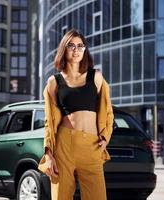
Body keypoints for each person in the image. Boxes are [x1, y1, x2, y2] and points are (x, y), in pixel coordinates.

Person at [38, 29, 114, 200]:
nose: (76, 50)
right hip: (65, 145)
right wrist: (49, 155)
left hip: (92, 146)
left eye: (81, 46)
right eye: (71, 45)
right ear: (64, 49)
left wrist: (105, 137)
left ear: (85, 50)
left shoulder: (96, 77)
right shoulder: (54, 82)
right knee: (61, 197)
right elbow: (49, 122)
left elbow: (108, 111)